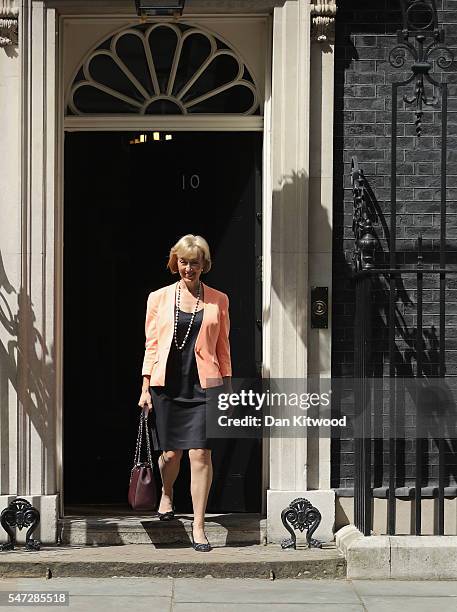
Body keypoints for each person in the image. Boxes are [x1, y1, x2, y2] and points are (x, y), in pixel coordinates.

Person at [138, 234, 232, 552]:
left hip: (203, 385)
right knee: (170, 454)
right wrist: (145, 387)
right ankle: (167, 493)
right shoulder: (158, 298)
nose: (188, 268)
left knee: (200, 454)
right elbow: (151, 345)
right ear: (174, 262)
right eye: (182, 262)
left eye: (194, 262)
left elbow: (223, 348)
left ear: (204, 264)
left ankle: (199, 526)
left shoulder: (219, 300)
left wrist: (228, 389)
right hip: (167, 385)